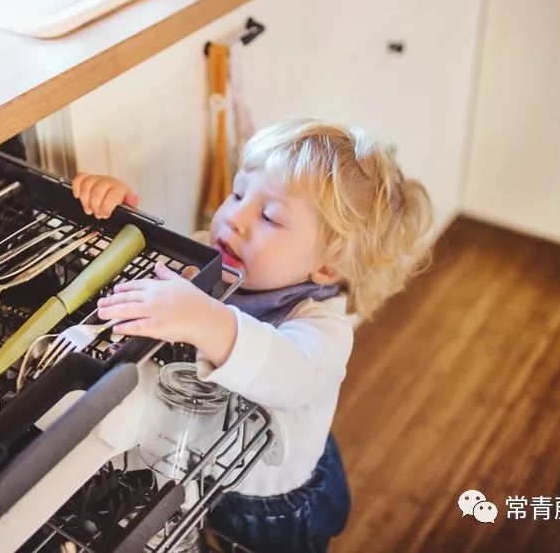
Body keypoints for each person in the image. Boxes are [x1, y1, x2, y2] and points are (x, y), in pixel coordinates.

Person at [72, 119, 433, 552]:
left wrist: (208, 320)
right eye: (239, 193)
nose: (234, 219)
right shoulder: (211, 251)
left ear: (327, 267)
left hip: (269, 498)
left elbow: (292, 373)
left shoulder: (323, 326)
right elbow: (151, 273)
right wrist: (115, 217)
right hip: (202, 468)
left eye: (269, 217)